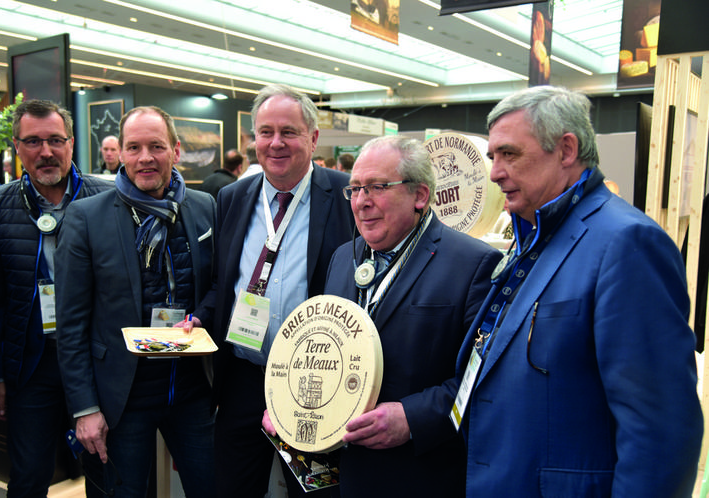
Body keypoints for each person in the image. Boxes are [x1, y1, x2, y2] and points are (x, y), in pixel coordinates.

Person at [451, 86, 703, 496]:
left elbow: (660, 430)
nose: (495, 173)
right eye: (492, 156)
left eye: (510, 154)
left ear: (566, 150)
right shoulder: (535, 232)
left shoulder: (627, 243)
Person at [264, 135, 501, 496]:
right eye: (355, 189)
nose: (361, 202)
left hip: (417, 475)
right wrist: (288, 405)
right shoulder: (344, 257)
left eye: (377, 187)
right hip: (343, 475)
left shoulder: (473, 264)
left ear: (420, 195)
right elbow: (323, 349)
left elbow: (480, 381)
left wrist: (413, 418)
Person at [191, 83, 354, 498]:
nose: (275, 143)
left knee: (314, 492)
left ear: (313, 138)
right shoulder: (232, 197)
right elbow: (223, 282)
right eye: (265, 132)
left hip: (314, 382)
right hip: (243, 377)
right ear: (252, 139)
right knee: (233, 488)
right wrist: (202, 318)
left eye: (288, 132)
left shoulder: (347, 195)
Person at [55, 106, 217, 498]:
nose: (146, 157)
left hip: (191, 390)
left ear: (175, 151)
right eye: (134, 147)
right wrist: (85, 409)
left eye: (156, 146)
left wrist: (202, 315)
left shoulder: (204, 207)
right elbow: (71, 324)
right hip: (122, 399)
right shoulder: (86, 218)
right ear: (122, 154)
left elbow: (217, 286)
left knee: (212, 487)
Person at [0, 99, 113, 497]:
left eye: (55, 140)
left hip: (96, 362)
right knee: (29, 475)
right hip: (31, 365)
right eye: (33, 141)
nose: (46, 151)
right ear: (16, 147)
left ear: (71, 143)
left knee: (106, 470)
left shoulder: (105, 199)